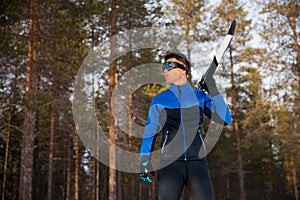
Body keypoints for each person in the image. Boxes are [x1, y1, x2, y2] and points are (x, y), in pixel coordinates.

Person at [139, 52, 232, 200]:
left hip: (197, 164)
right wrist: (144, 159)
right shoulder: (159, 100)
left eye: (170, 65)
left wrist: (212, 88)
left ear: (183, 69)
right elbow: (150, 131)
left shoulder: (200, 97)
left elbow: (226, 119)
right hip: (170, 165)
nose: (165, 70)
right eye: (164, 66)